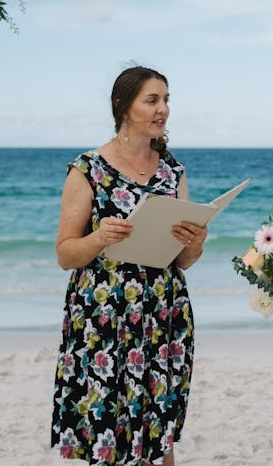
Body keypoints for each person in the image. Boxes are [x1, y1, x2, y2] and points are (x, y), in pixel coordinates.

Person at [51, 65, 206, 466]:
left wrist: (196, 242)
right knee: (109, 430)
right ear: (123, 106)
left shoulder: (173, 171)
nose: (163, 110)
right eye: (152, 100)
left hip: (163, 315)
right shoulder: (88, 169)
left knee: (159, 429)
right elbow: (65, 253)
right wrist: (100, 237)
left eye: (166, 100)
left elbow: (184, 261)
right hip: (105, 318)